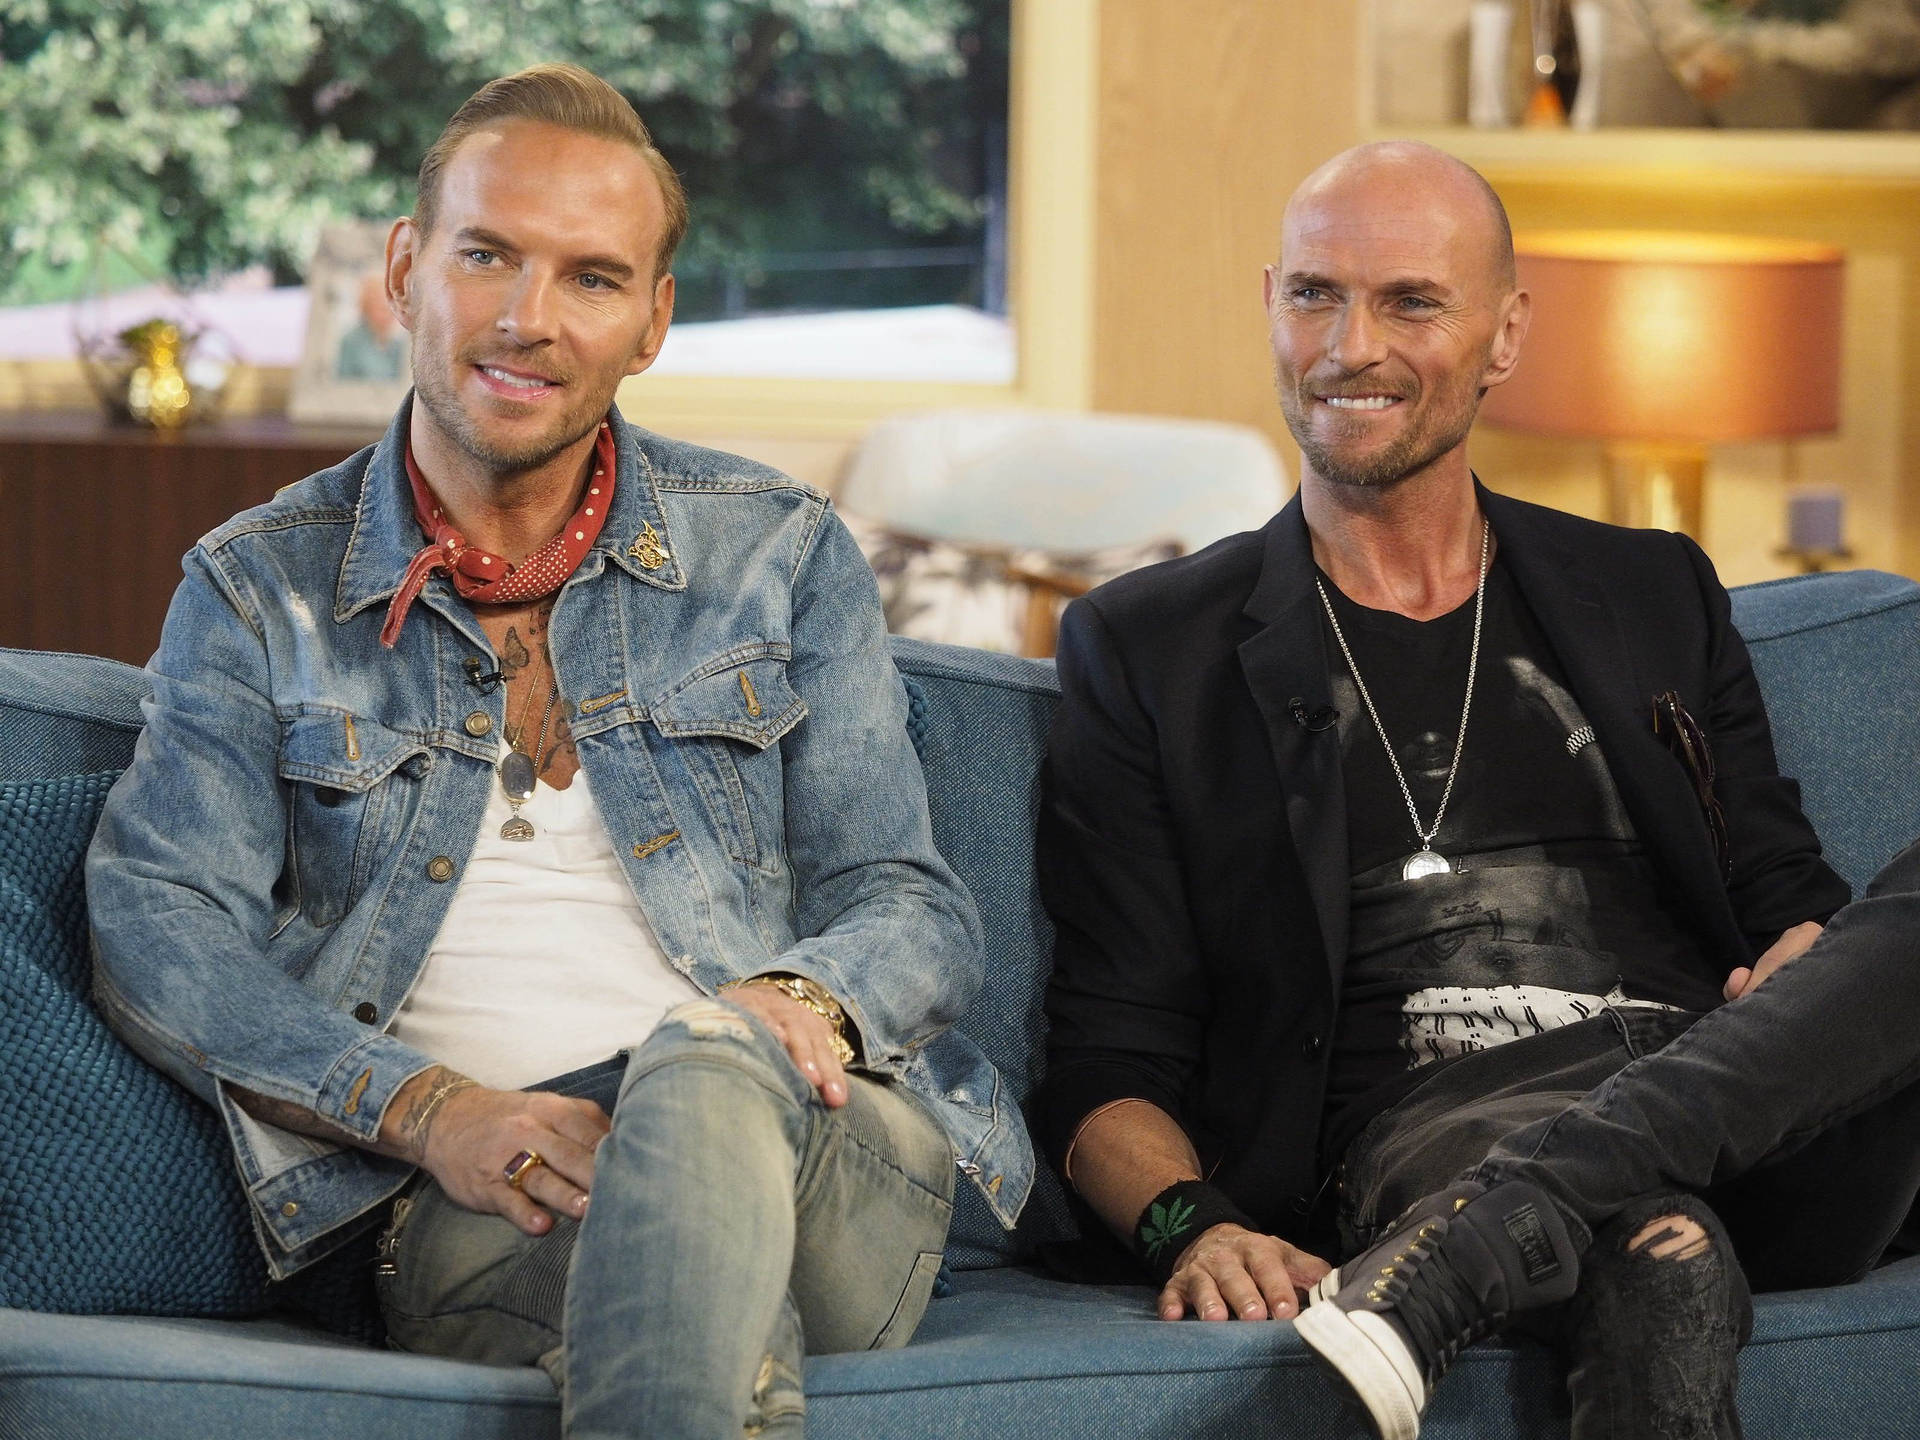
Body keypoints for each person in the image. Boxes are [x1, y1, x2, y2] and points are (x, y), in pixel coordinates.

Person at [86, 63, 1031, 1440]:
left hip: (819, 1148)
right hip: (476, 1191)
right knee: (688, 1293)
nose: (528, 320)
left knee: (701, 1069)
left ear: (653, 321)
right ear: (406, 270)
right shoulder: (257, 589)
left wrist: (789, 1015)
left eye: (592, 278)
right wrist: (423, 1111)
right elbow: (159, 927)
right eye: (488, 257)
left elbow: (910, 902)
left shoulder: (778, 553)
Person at [1034, 139, 1920, 1440]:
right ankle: (1522, 1208)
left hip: (1728, 1094)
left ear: (1506, 336)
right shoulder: (1153, 646)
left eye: (1411, 302)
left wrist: (1805, 959)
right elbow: (1106, 1056)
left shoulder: (1652, 591)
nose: (1350, 346)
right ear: (1268, 303)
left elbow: (1794, 903)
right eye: (1316, 295)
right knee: (1652, 1245)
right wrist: (1193, 1225)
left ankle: (1496, 1232)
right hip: (1437, 1119)